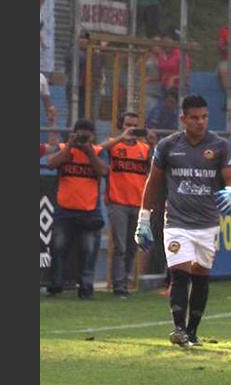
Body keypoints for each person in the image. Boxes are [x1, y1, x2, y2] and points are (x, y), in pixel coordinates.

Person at [135, 94, 231, 347]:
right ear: (183, 118)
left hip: (207, 223)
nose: (200, 122)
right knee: (180, 275)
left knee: (201, 276)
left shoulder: (220, 145)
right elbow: (153, 182)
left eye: (204, 117)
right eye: (194, 118)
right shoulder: (168, 146)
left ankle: (192, 331)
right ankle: (178, 329)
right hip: (177, 223)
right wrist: (144, 218)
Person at [45, 119, 109, 298]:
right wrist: (69, 147)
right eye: (80, 135)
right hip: (64, 209)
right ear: (73, 134)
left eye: (86, 136)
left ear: (93, 136)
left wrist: (89, 152)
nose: (82, 139)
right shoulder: (64, 148)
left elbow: (103, 171)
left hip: (90, 210)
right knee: (57, 248)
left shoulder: (98, 151)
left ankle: (86, 287)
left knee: (88, 252)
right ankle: (56, 284)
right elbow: (51, 164)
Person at [100, 112, 151, 298]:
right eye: (127, 124)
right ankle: (118, 284)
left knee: (131, 245)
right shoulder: (115, 145)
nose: (130, 129)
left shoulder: (144, 148)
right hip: (118, 202)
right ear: (120, 125)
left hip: (138, 203)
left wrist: (152, 142)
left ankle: (126, 278)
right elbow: (98, 148)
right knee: (120, 246)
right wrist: (121, 138)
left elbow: (153, 169)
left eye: (134, 125)